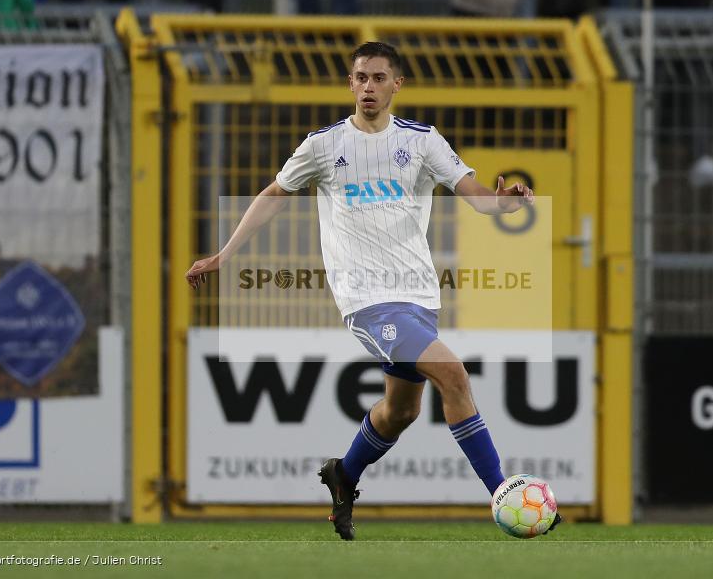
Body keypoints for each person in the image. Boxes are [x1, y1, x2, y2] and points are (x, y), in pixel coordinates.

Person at [185, 41, 560, 541]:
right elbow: (274, 194)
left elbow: (480, 201)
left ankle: (345, 473)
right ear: (350, 84)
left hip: (420, 298)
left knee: (401, 410)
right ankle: (503, 493)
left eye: (379, 78)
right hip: (366, 299)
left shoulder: (424, 142)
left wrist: (505, 203)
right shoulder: (323, 145)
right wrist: (224, 255)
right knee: (453, 376)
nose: (368, 86)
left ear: (396, 85)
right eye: (360, 77)